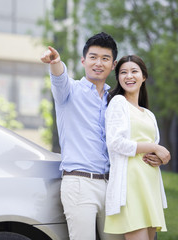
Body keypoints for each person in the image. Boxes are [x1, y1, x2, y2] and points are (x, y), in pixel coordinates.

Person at [40, 32, 124, 240]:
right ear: (83, 60)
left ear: (113, 65)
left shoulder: (115, 100)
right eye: (93, 57)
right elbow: (59, 78)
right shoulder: (69, 92)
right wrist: (55, 63)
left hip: (112, 184)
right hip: (80, 184)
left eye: (105, 59)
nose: (98, 63)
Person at [104, 55, 170, 240]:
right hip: (130, 185)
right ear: (118, 78)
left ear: (144, 76)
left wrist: (161, 157)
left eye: (134, 71)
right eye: (123, 72)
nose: (129, 76)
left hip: (149, 184)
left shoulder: (149, 114)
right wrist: (154, 147)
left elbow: (154, 150)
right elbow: (115, 142)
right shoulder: (118, 103)